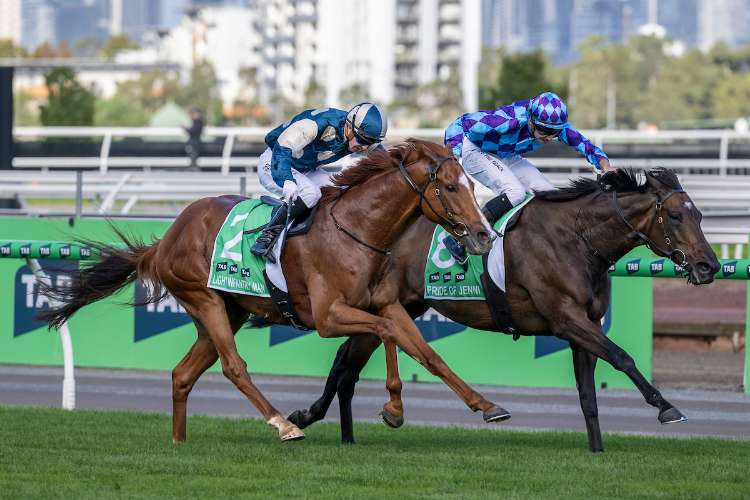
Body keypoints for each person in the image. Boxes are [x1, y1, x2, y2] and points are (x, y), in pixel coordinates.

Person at [443, 91, 612, 263]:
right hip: (474, 150)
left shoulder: (553, 126)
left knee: (549, 194)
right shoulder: (509, 121)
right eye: (545, 130)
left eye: (555, 132)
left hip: (505, 154)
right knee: (515, 192)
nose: (550, 137)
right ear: (530, 120)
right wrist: (453, 156)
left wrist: (606, 168)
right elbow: (461, 123)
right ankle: (460, 239)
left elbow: (585, 145)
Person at [251, 102, 388, 262]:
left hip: (305, 169)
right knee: (311, 193)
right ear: (350, 127)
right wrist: (286, 179)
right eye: (362, 140)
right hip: (276, 161)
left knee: (342, 187)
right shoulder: (318, 124)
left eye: (370, 142)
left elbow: (387, 160)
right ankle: (267, 236)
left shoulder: (358, 133)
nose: (365, 147)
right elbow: (282, 148)